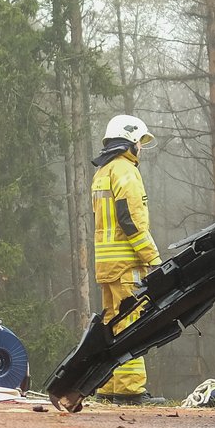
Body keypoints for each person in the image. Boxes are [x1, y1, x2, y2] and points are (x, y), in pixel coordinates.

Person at [91, 114, 164, 405]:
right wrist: (153, 258)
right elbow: (131, 220)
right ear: (130, 141)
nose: (141, 149)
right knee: (131, 323)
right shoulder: (126, 172)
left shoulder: (103, 172)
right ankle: (130, 391)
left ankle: (108, 386)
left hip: (107, 265)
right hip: (126, 264)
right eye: (140, 143)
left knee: (111, 323)